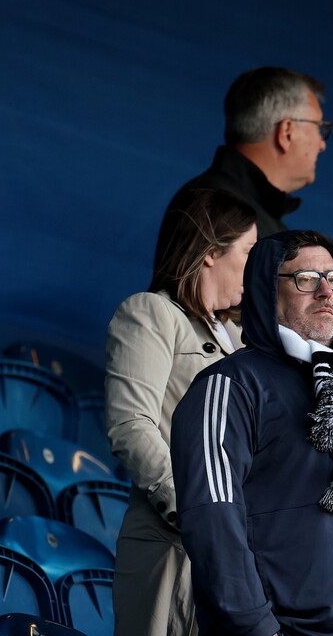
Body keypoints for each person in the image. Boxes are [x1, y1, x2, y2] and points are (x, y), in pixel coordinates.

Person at [169, 230, 333, 636]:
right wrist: (258, 629)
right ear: (266, 291)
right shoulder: (232, 386)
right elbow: (211, 516)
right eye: (306, 279)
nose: (326, 292)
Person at [105, 188, 258, 636]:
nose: (255, 267)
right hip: (174, 548)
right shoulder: (151, 312)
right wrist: (201, 512)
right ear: (211, 252)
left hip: (237, 556)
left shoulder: (243, 340)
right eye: (248, 251)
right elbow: (131, 427)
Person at [158, 66, 333, 314]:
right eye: (319, 128)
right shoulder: (216, 204)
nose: (322, 144)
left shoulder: (239, 204)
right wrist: (332, 290)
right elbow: (228, 320)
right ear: (287, 131)